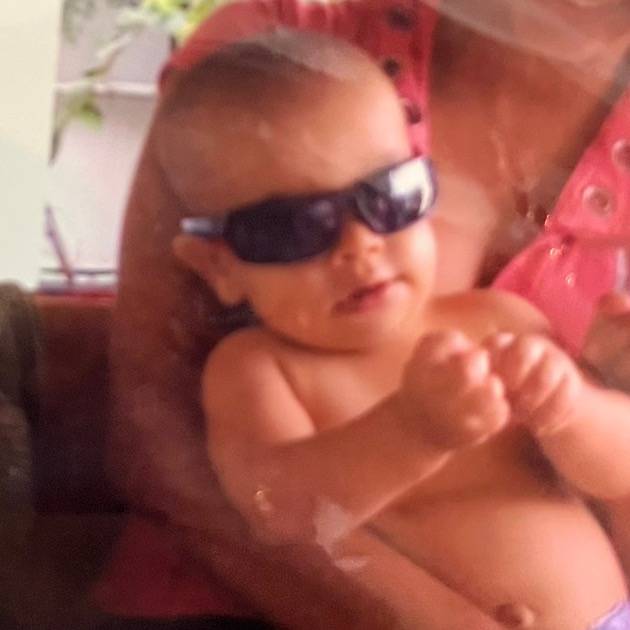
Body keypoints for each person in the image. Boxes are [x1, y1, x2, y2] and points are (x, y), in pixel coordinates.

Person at [101, 1, 630, 628]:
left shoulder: (500, 322)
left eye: (393, 199)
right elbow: (269, 506)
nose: (359, 247)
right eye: (296, 229)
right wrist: (409, 433)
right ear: (220, 266)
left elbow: (620, 469)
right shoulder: (258, 373)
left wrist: (574, 409)